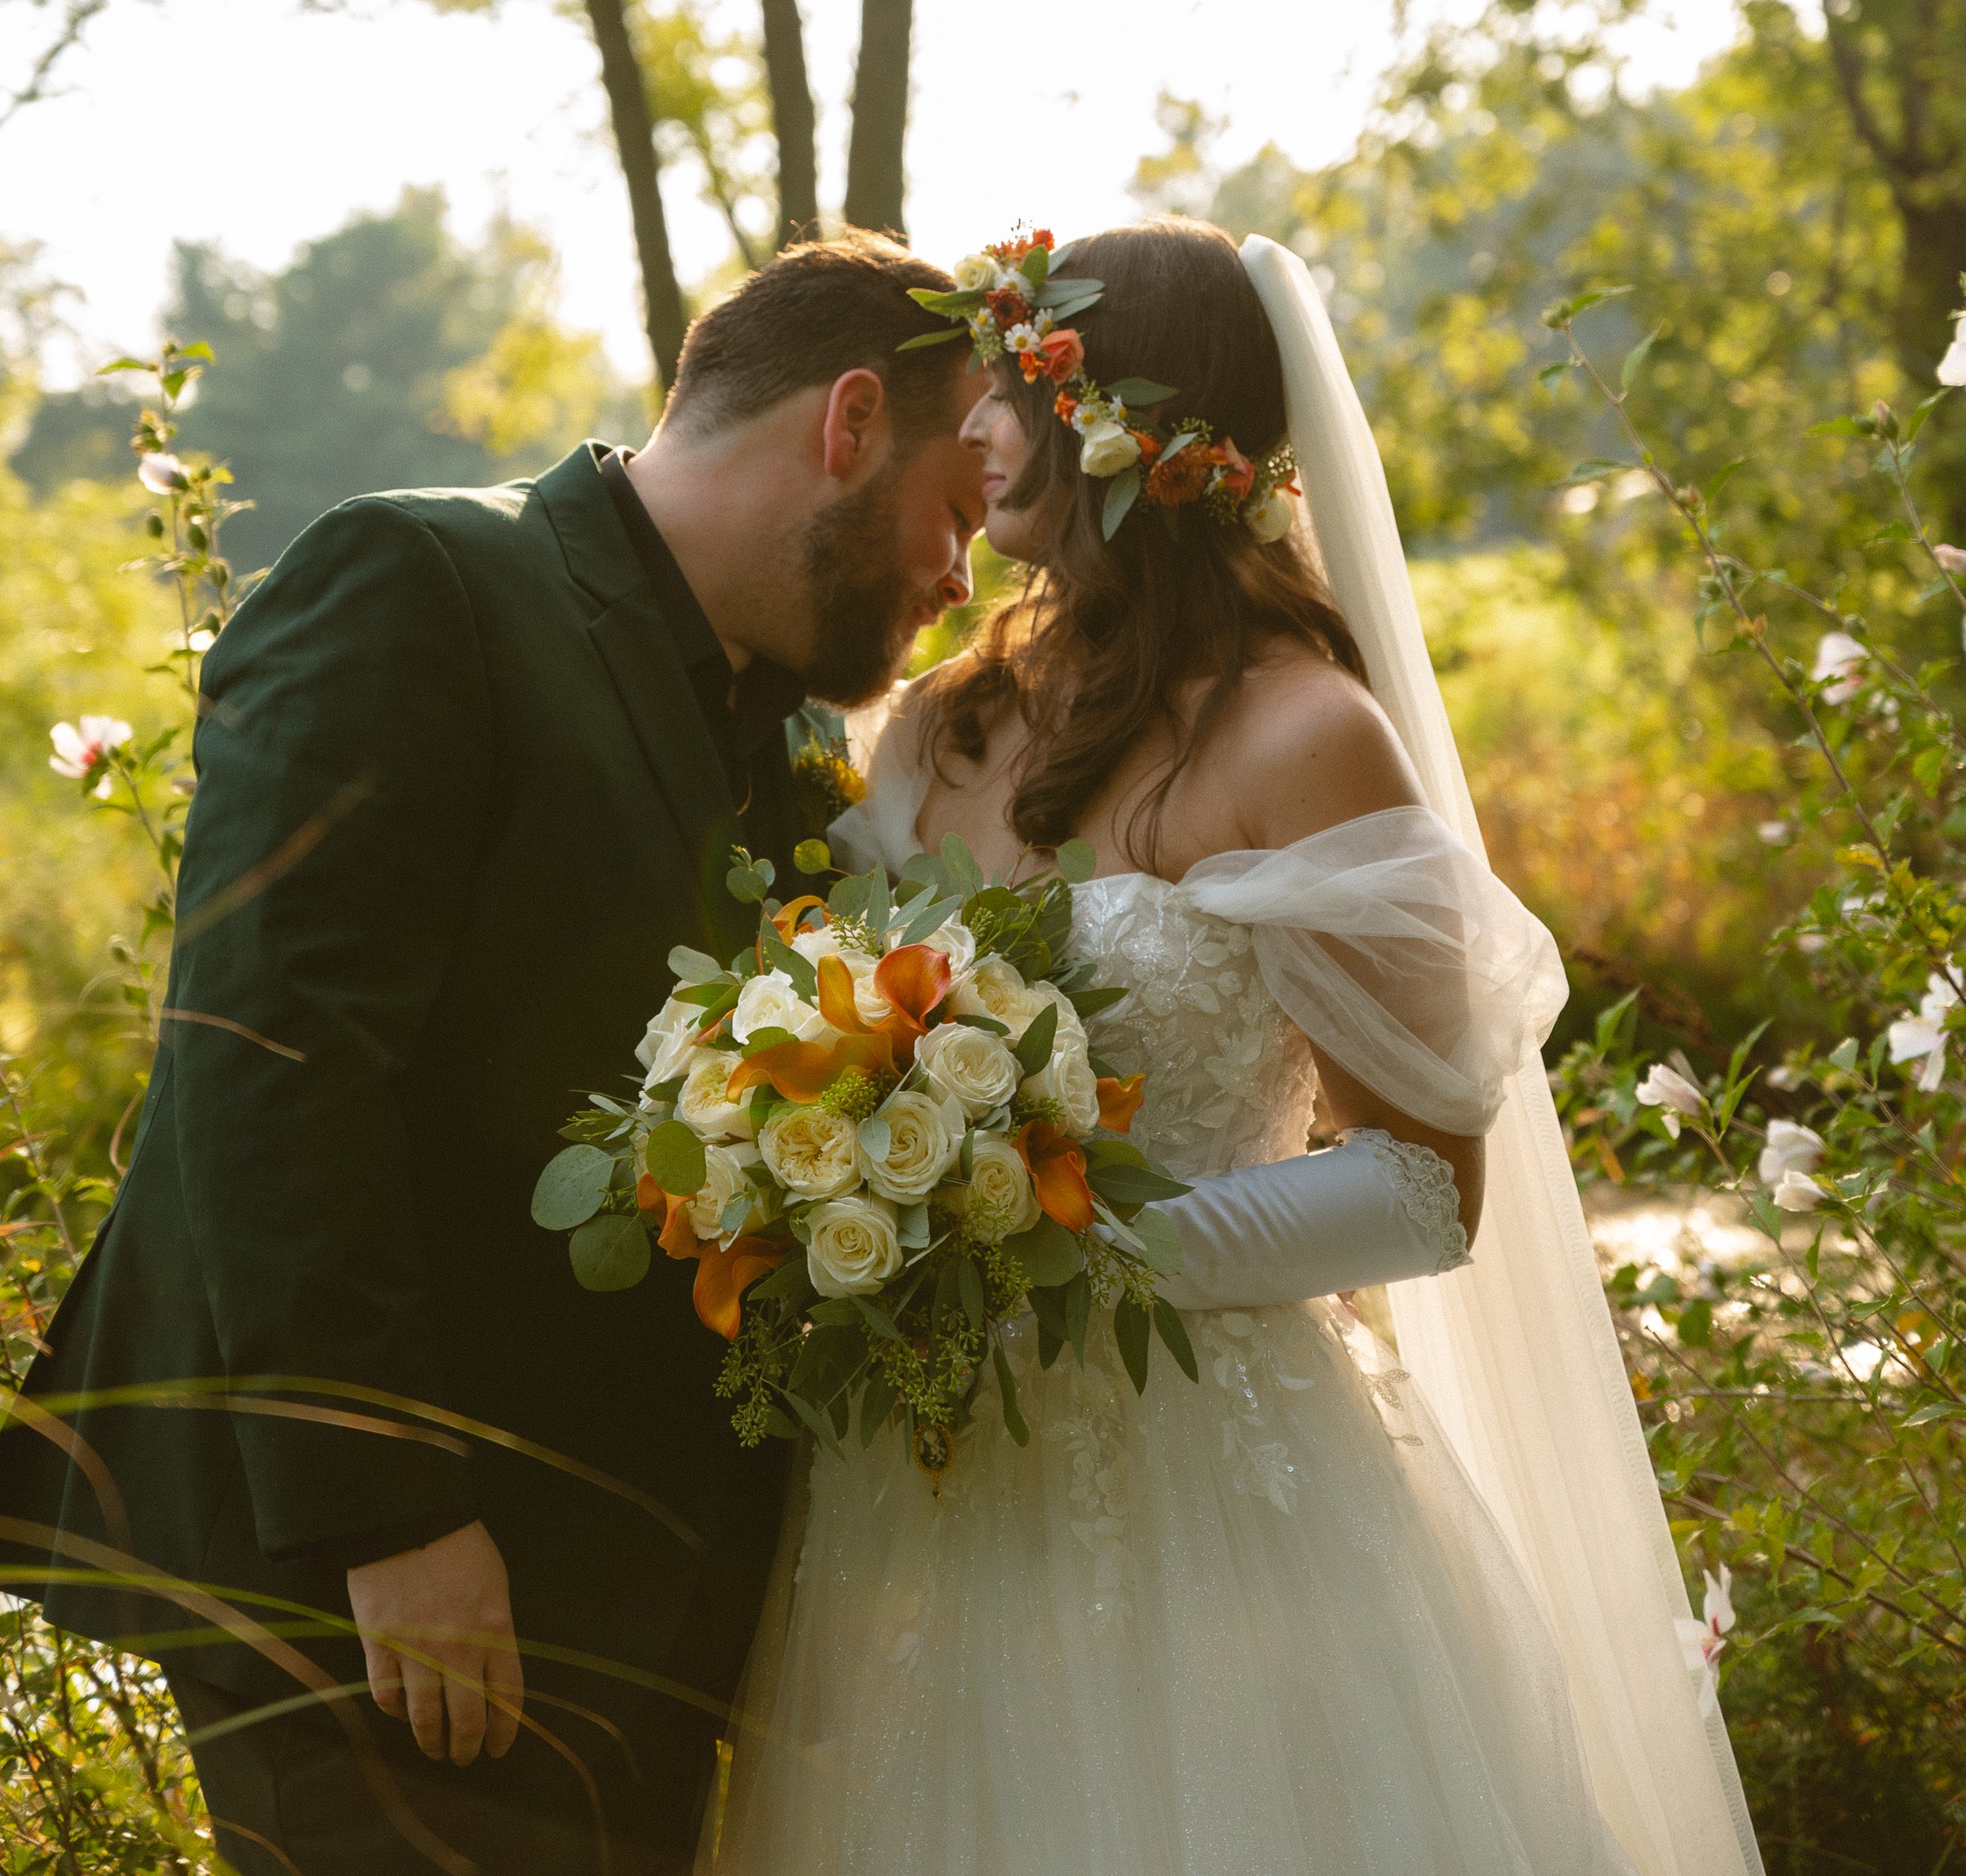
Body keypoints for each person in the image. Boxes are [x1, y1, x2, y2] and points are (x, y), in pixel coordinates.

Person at [710, 218, 1764, 1876]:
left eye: (1006, 387)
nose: (972, 427)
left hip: (1216, 1493)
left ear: (1126, 421)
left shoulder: (1304, 734)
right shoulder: (940, 721)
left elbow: (1420, 1190)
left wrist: (1060, 1246)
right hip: (923, 1489)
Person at [0, 229, 987, 1876]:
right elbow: (267, 1060)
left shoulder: (782, 725)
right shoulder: (417, 584)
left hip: (626, 1599)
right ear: (846, 424)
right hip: (376, 1593)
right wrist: (391, 1515)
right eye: (960, 506)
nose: (960, 574)